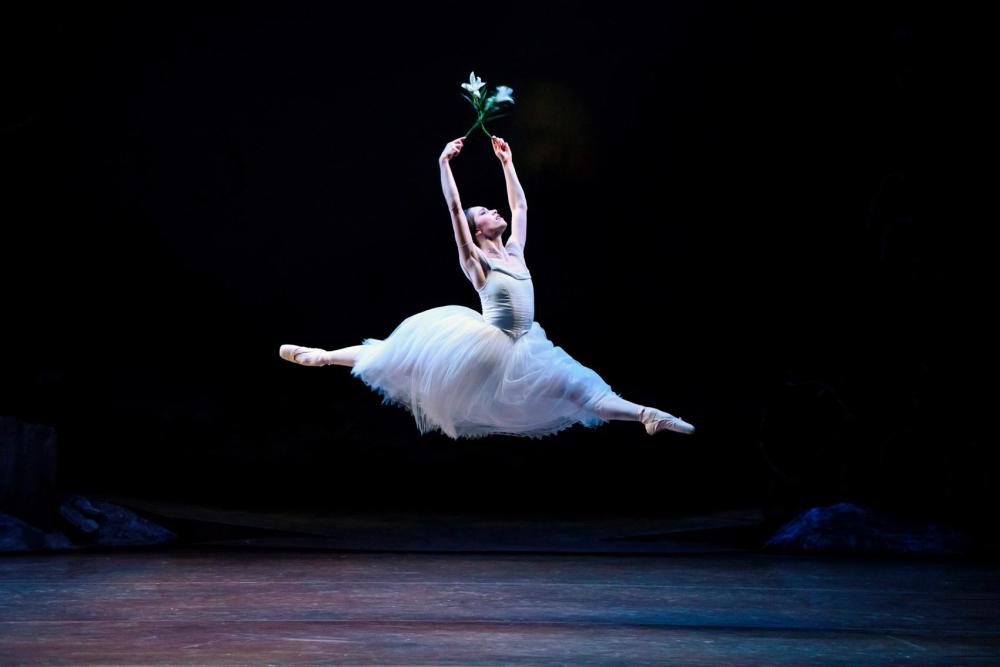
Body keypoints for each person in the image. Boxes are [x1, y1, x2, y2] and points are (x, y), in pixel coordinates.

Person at [279, 135, 695, 440]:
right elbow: (455, 209)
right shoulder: (476, 262)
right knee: (397, 356)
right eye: (486, 212)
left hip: (528, 348)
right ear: (477, 230)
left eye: (492, 209)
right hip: (487, 348)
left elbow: (520, 206)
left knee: (584, 388)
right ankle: (323, 356)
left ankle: (646, 415)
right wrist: (444, 164)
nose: (495, 211)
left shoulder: (515, 250)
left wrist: (507, 163)